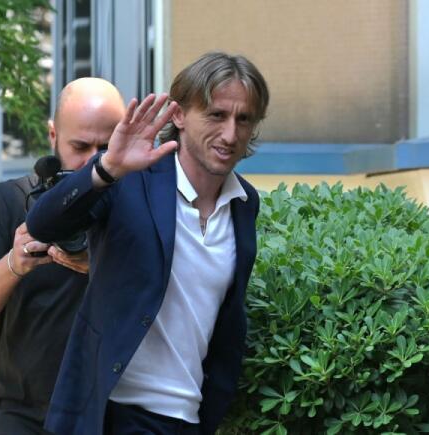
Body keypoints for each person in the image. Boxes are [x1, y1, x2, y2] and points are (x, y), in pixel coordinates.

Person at [26, 51, 270, 435]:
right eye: (216, 115)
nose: (230, 134)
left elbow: (226, 317)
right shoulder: (130, 176)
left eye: (244, 119)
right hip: (113, 413)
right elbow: (43, 224)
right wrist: (106, 169)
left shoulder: (244, 203)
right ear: (179, 115)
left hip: (187, 418)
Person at [0, 78, 126, 434]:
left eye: (106, 147)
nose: (93, 161)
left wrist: (101, 267)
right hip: (24, 416)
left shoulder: (139, 204)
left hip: (115, 416)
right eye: (80, 146)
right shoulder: (11, 201)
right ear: (53, 135)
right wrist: (14, 263)